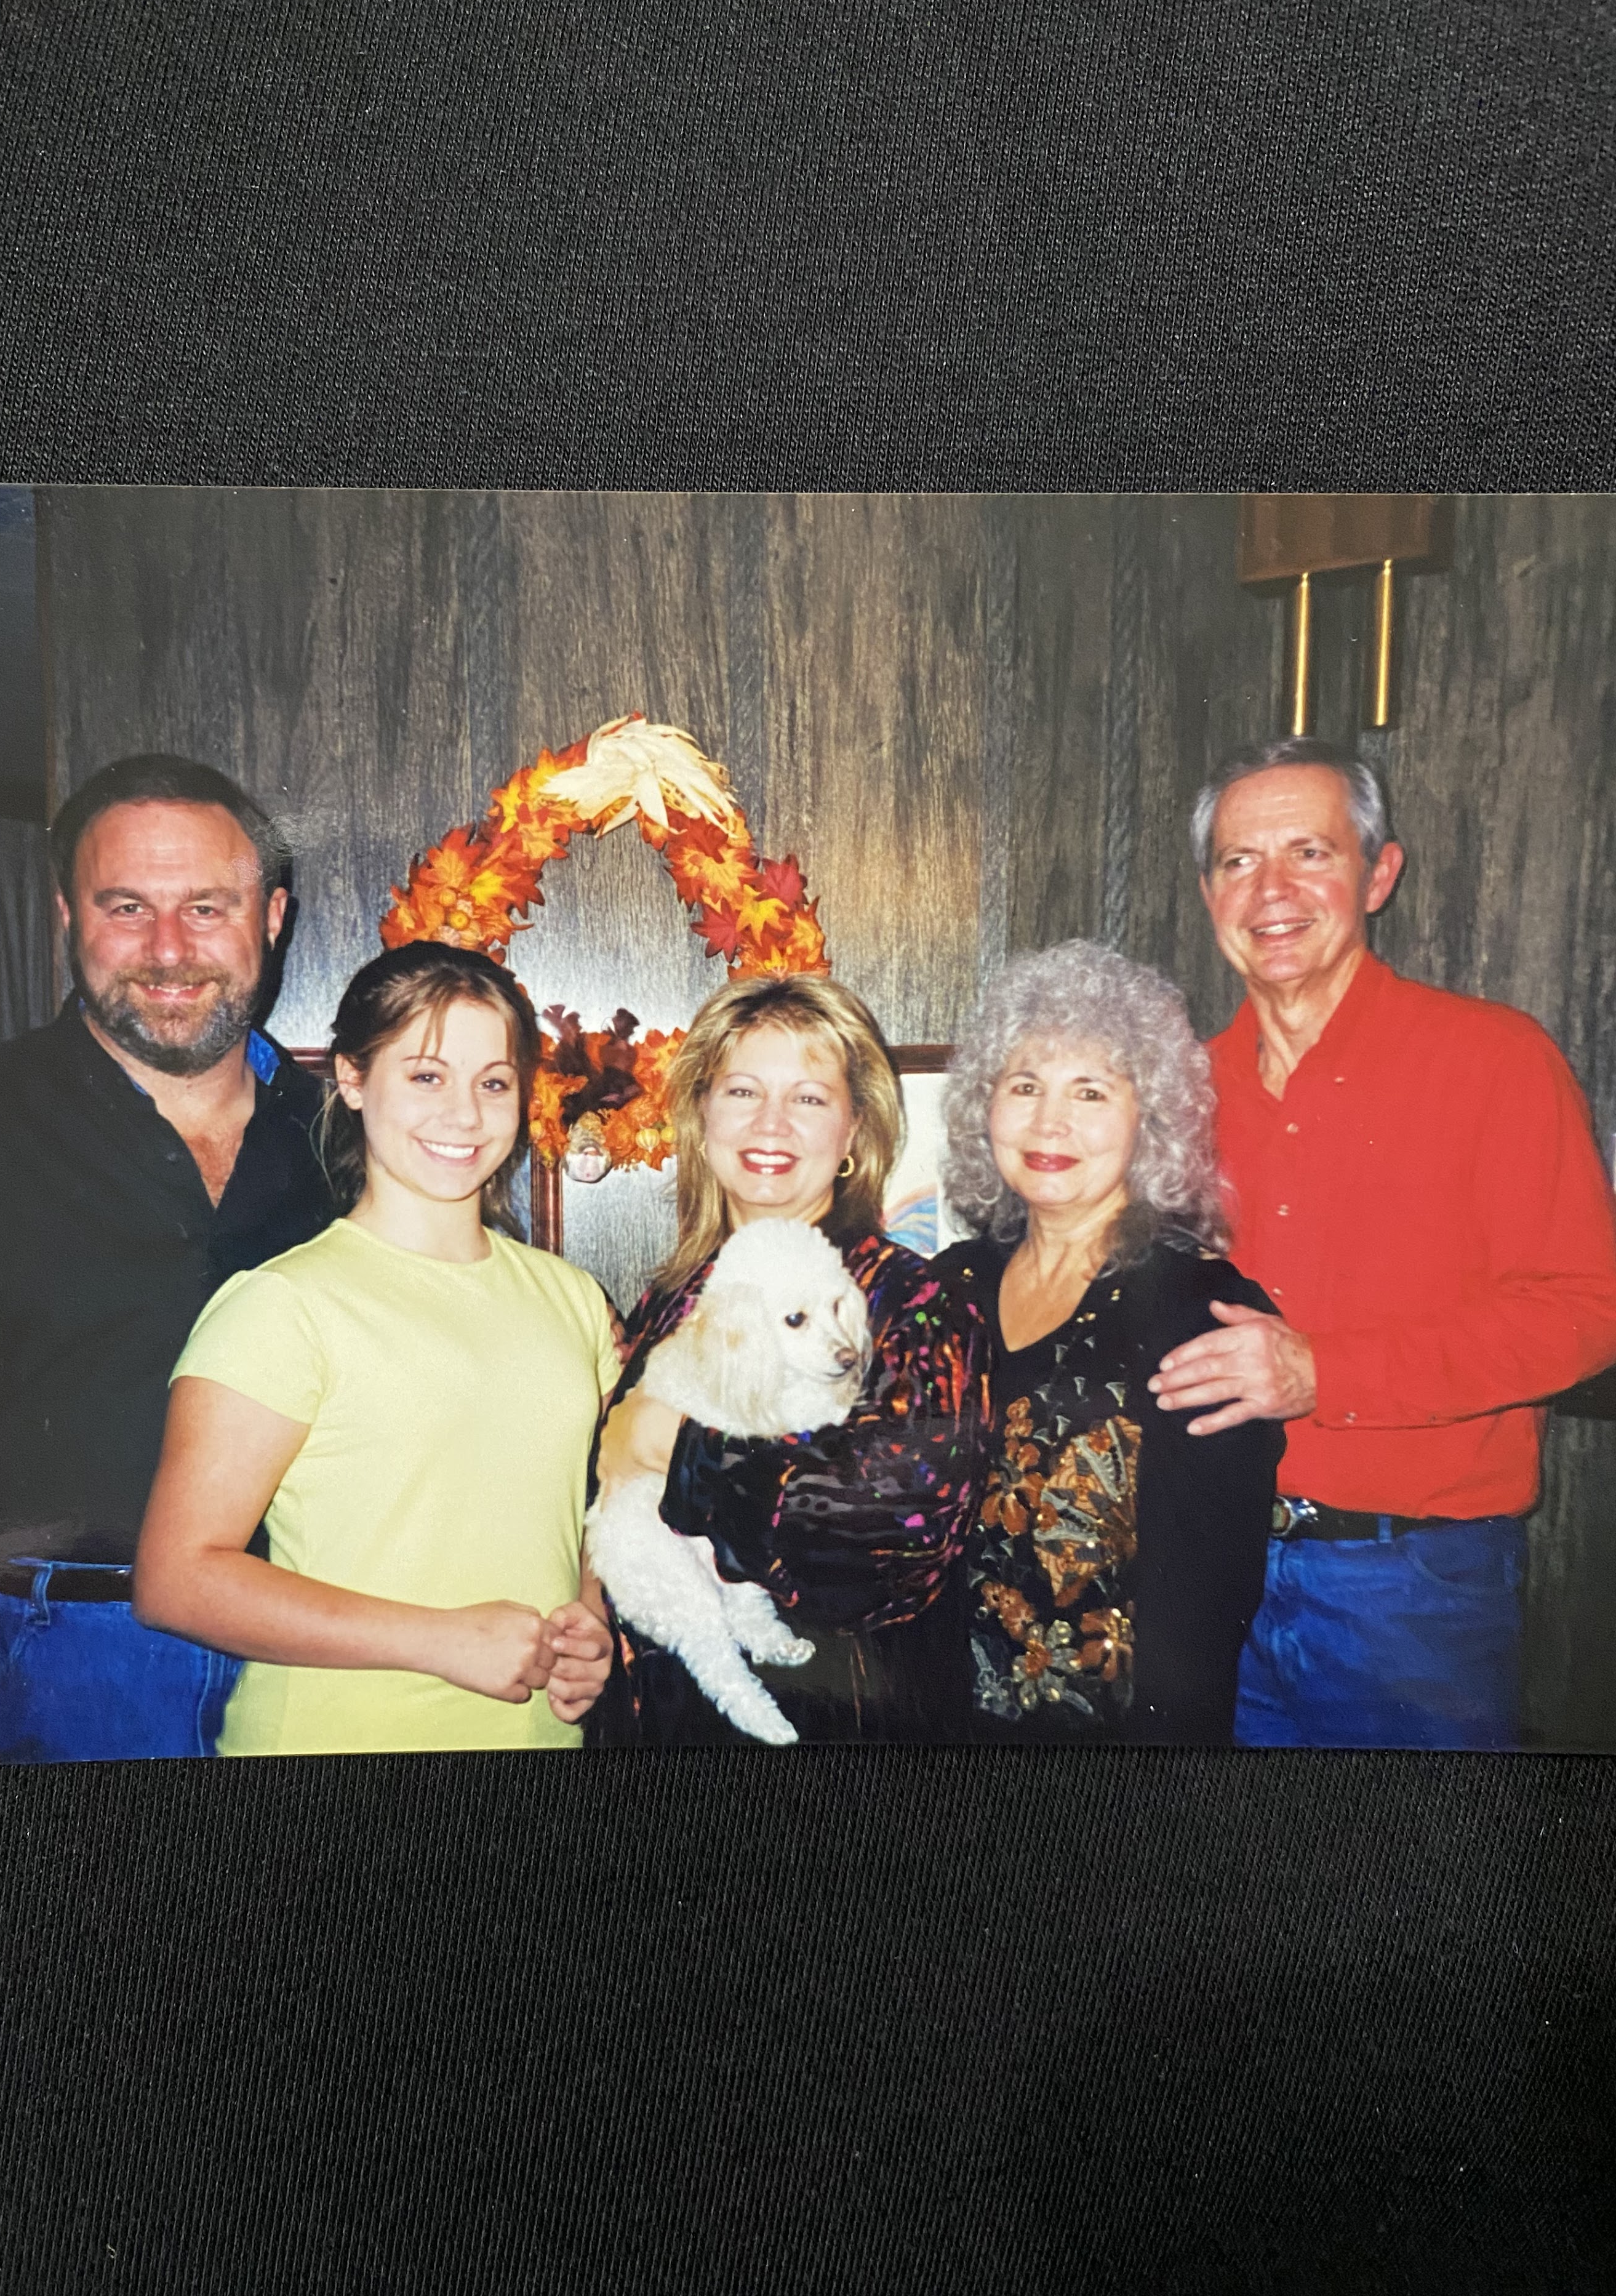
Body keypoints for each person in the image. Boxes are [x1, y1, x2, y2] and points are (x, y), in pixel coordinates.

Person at [1153, 739, 1616, 1749]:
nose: (1270, 889)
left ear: (1379, 872)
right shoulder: (1176, 1089)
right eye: (1238, 861)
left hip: (1409, 1592)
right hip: (1202, 1572)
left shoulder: (1497, 1060)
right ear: (1207, 891)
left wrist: (1328, 1372)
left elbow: (1588, 1313)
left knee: (1401, 1896)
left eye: (1308, 852)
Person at [0, 754, 338, 1768]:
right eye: (126, 906)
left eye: (208, 907)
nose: (169, 950)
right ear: (66, 917)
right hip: (35, 1677)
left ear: (272, 916)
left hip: (313, 1664)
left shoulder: (354, 1148)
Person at [132, 942, 618, 1756]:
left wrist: (589, 1619)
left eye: (493, 1083)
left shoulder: (572, 1299)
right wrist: (439, 1639)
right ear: (353, 1079)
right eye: (427, 1076)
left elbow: (587, 1511)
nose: (465, 1114)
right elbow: (176, 1580)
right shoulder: (282, 1305)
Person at [586, 972, 990, 1747]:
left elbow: (890, 1543)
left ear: (852, 1133)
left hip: (833, 1724)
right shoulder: (674, 1298)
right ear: (702, 1117)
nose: (771, 1123)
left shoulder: (913, 1303)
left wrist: (672, 1446)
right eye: (741, 1092)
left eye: (809, 1098)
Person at [930, 941, 1281, 1746]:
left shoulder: (1204, 1310)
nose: (1050, 1121)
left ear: (1148, 1119)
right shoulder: (947, 1288)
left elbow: (1206, 1602)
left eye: (1090, 1091)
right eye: (1025, 1085)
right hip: (947, 1732)